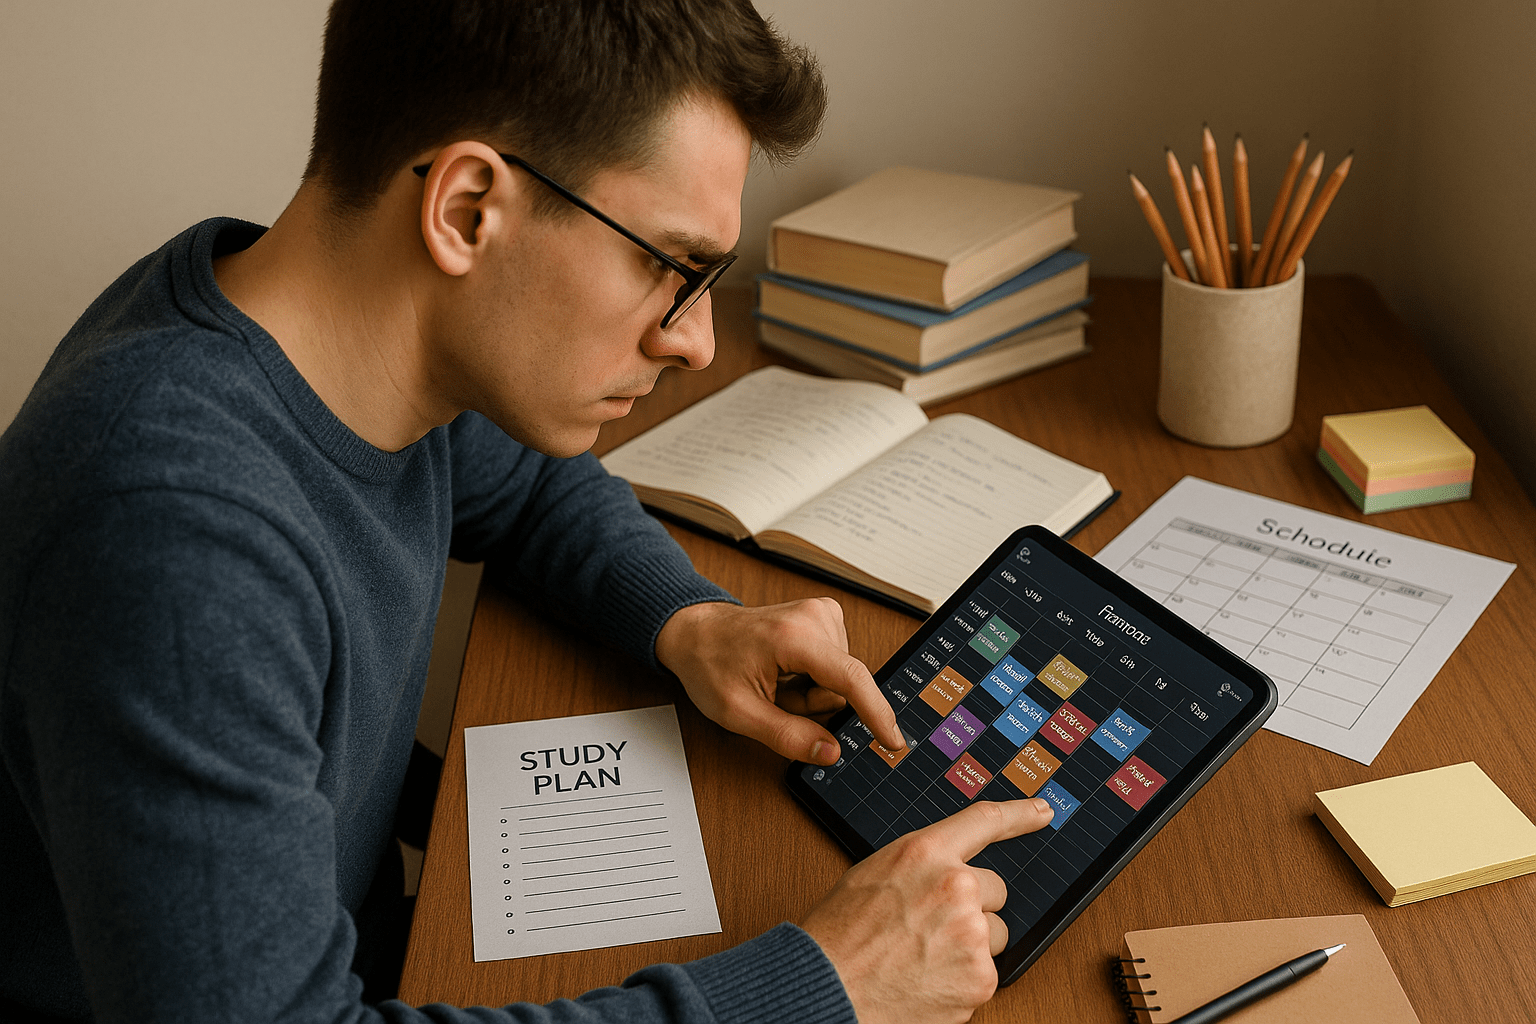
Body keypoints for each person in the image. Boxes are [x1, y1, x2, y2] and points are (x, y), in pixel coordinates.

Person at [0, 2, 1054, 1022]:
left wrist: (689, 620)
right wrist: (828, 986)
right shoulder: (176, 541)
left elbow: (528, 483)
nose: (696, 342)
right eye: (667, 266)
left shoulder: (334, 338)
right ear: (467, 209)